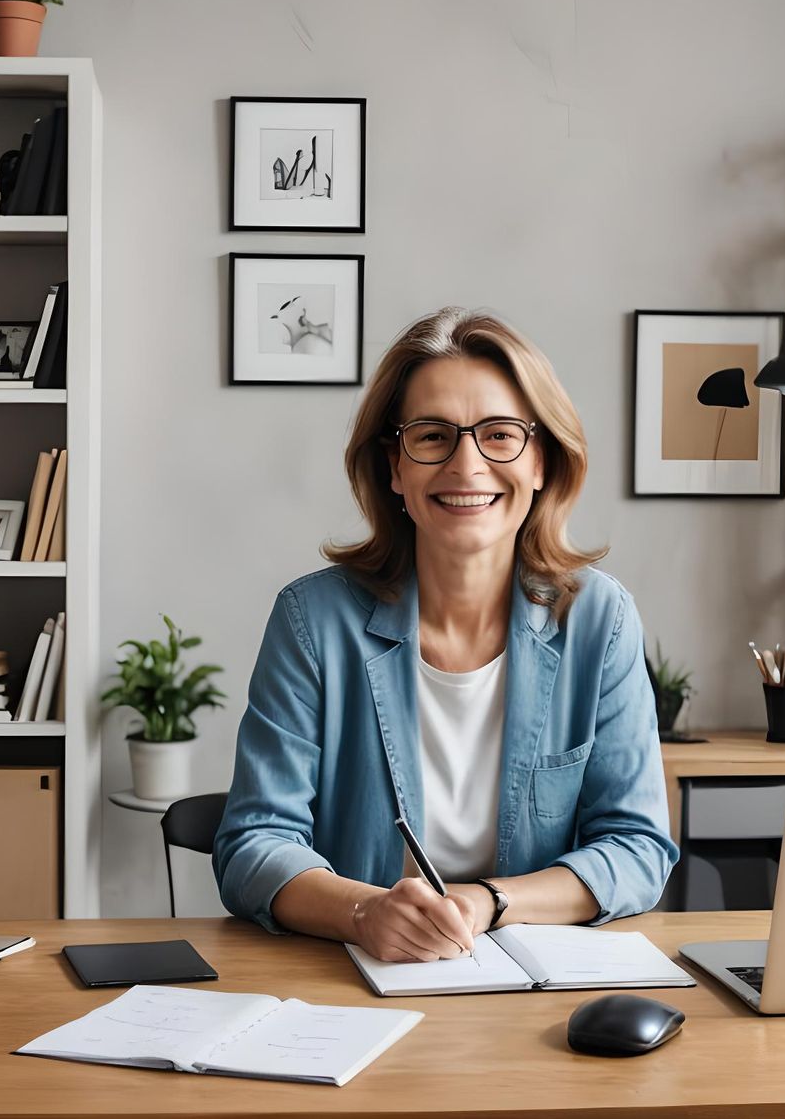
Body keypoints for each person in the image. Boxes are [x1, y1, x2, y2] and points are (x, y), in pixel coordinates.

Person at [214, 307, 677, 962]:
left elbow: (636, 848)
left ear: (541, 461)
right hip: (355, 978)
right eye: (432, 436)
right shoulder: (312, 620)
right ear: (394, 467)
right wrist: (364, 912)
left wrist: (489, 901)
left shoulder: (600, 620)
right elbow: (253, 843)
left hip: (535, 986)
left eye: (500, 435)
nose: (467, 464)